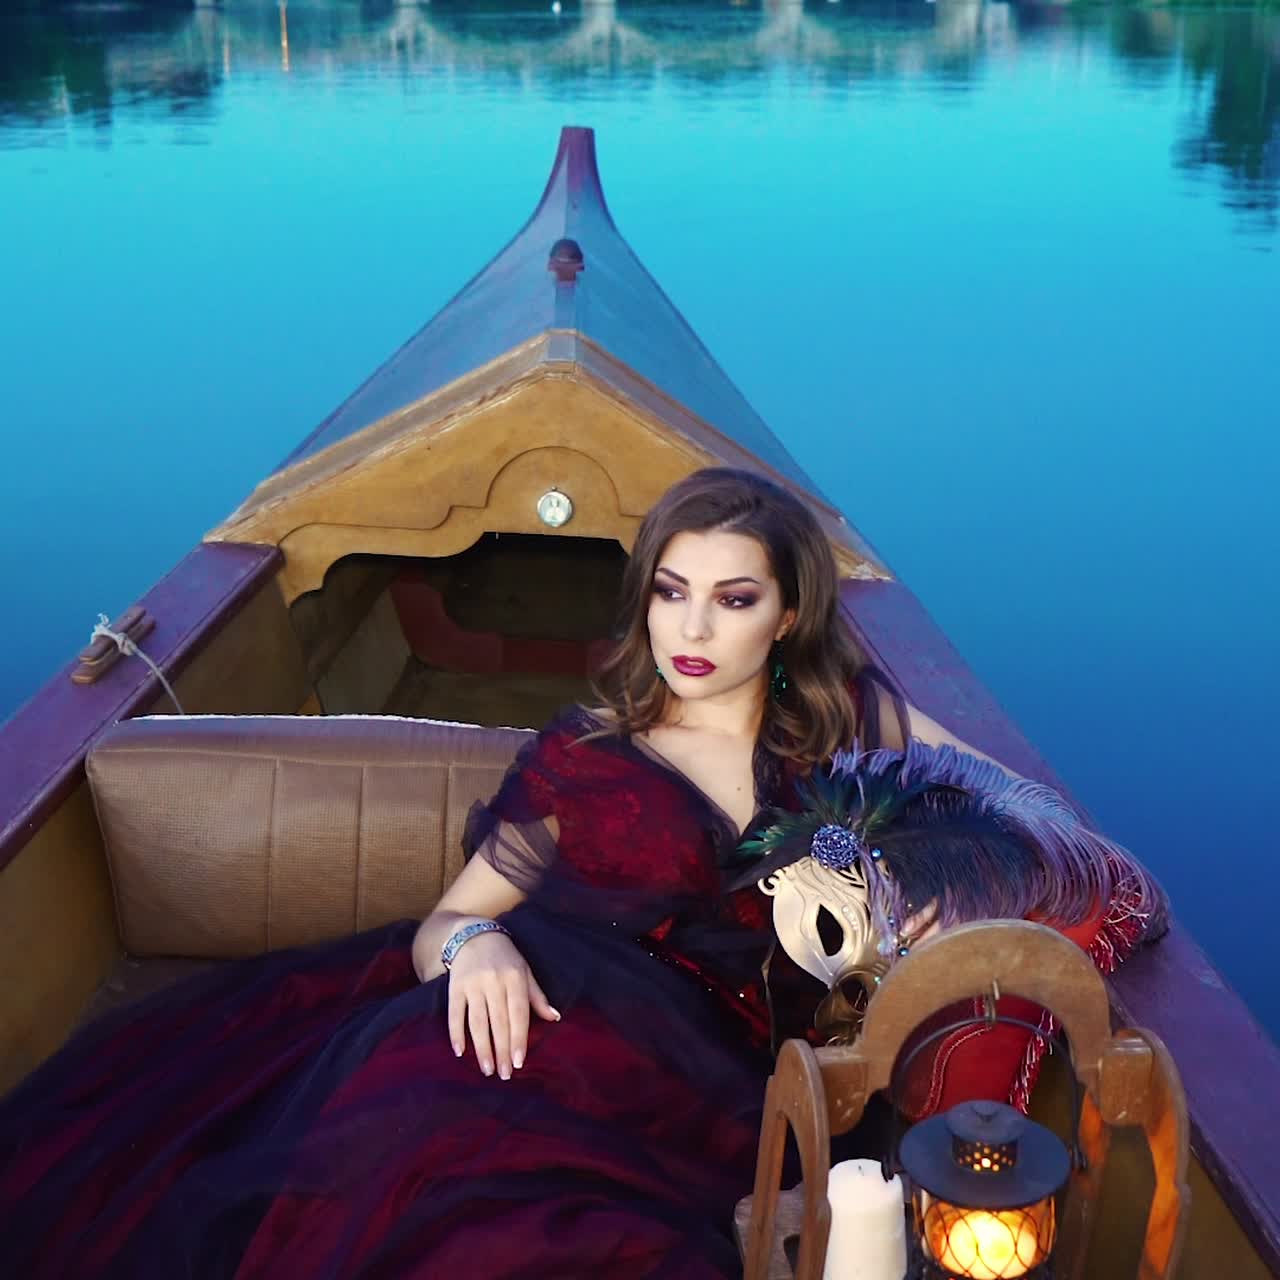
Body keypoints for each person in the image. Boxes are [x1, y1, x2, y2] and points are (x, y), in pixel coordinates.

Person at [0, 468, 1155, 1279]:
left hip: (713, 1079)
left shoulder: (858, 721)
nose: (689, 626)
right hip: (525, 1012)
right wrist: (476, 942)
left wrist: (896, 891)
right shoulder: (581, 754)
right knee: (406, 1155)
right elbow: (443, 924)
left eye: (732, 597)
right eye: (668, 588)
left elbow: (1034, 821)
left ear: (787, 611)